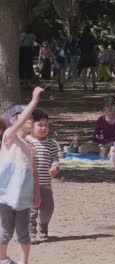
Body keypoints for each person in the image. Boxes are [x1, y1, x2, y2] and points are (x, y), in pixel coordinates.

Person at [0, 87, 44, 264]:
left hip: (24, 197)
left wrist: (37, 193)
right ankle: (2, 259)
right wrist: (33, 101)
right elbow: (20, 122)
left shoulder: (30, 147)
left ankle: (23, 261)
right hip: (5, 195)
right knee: (5, 231)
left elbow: (34, 173)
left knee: (23, 232)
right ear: (12, 120)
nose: (29, 118)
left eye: (31, 117)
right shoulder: (9, 136)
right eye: (25, 115)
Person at [26, 109, 60, 244]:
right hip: (29, 184)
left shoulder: (51, 143)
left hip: (46, 184)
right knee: (31, 209)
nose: (43, 128)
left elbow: (55, 158)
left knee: (48, 208)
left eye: (46, 125)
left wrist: (55, 167)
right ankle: (31, 232)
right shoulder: (26, 141)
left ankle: (43, 227)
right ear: (31, 126)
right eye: (40, 125)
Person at [78, 26, 98, 91]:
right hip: (91, 55)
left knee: (84, 72)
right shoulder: (92, 37)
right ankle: (94, 85)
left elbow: (79, 47)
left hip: (84, 55)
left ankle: (85, 86)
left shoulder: (81, 38)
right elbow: (95, 47)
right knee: (93, 72)